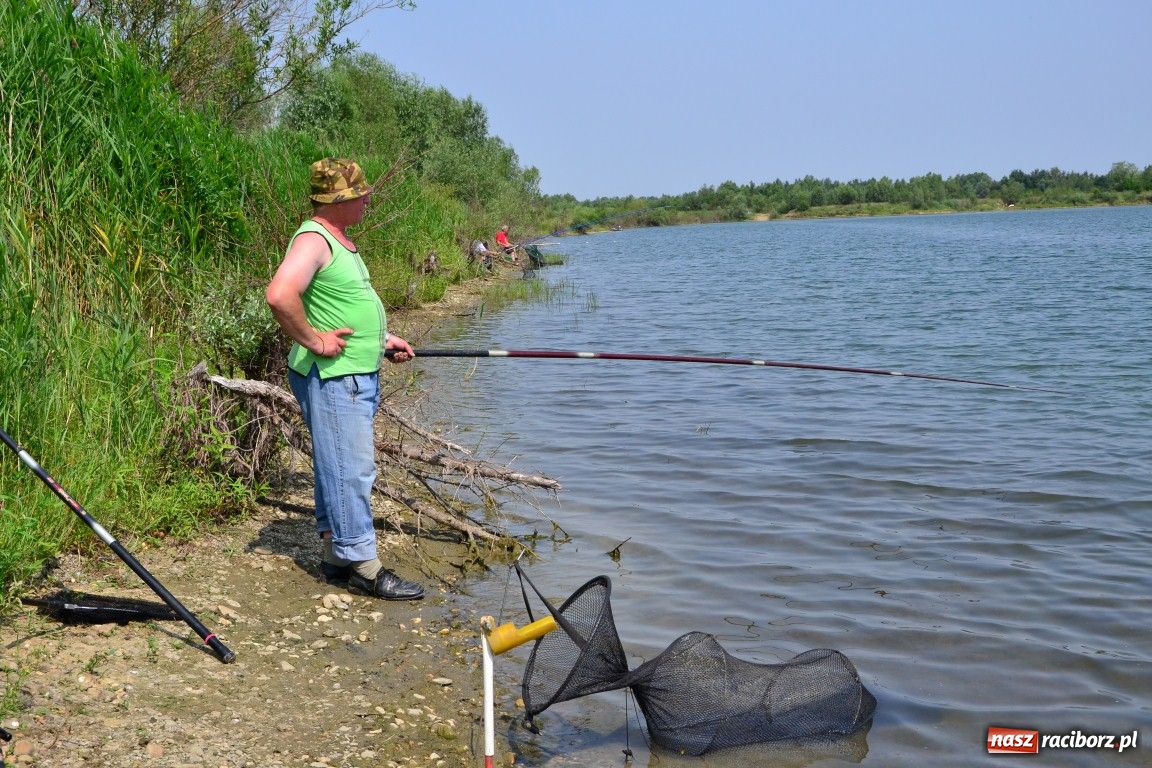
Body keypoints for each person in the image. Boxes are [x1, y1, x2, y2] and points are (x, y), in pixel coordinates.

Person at [266, 157, 425, 601]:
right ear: (339, 200)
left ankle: (336, 556)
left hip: (354, 370)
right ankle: (365, 567)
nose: (368, 200)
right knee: (351, 470)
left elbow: (341, 303)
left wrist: (381, 339)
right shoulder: (314, 239)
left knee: (336, 464)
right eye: (361, 195)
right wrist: (316, 341)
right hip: (335, 376)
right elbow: (280, 294)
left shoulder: (337, 240)